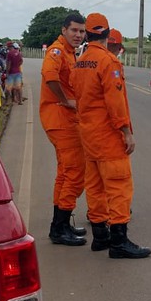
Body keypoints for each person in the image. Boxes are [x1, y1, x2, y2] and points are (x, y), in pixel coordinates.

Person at [70, 13, 151, 259]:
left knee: (95, 186)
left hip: (88, 134)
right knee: (118, 185)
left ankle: (100, 238)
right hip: (107, 134)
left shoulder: (80, 61)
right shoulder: (108, 62)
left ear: (87, 33)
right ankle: (119, 242)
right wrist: (126, 132)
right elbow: (115, 103)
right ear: (106, 34)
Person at [40, 13, 95, 247]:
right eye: (74, 30)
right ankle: (60, 227)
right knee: (75, 171)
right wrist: (65, 100)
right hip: (61, 119)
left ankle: (60, 225)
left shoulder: (71, 53)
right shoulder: (57, 51)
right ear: (64, 30)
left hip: (64, 119)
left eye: (82, 31)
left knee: (65, 172)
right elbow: (50, 76)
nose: (78, 35)